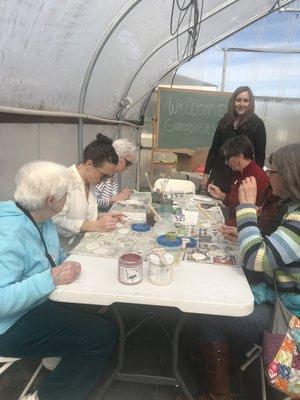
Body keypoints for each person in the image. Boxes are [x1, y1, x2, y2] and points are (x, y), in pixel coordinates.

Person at [179, 143, 300, 400]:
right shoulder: (291, 210)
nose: (269, 175)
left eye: (274, 171)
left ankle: (218, 394)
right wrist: (245, 232)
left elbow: (255, 259)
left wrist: (246, 207)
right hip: (279, 300)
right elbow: (273, 250)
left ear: (290, 176)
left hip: (290, 319)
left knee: (208, 313)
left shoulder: (298, 219)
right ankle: (229, 356)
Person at [0, 161, 116, 400]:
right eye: (66, 195)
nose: (68, 200)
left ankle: (57, 357)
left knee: (103, 310)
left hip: (35, 304)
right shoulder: (10, 235)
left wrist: (68, 263)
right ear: (52, 200)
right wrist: (50, 278)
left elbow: (54, 256)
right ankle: (46, 396)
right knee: (101, 336)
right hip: (8, 327)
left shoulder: (40, 218)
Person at [53, 133, 124, 238]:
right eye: (103, 176)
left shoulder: (90, 183)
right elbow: (55, 221)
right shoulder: (63, 181)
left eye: (107, 177)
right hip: (64, 248)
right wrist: (94, 225)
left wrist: (103, 217)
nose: (103, 181)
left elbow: (84, 216)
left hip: (83, 241)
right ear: (89, 164)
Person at [202, 86, 266, 193]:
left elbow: (260, 156)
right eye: (238, 100)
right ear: (233, 102)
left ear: (251, 103)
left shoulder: (258, 125)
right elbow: (214, 149)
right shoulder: (225, 121)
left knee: (234, 205)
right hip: (220, 174)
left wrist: (254, 180)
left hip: (241, 177)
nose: (241, 104)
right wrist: (205, 174)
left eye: (245, 100)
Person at [207, 135, 270, 225]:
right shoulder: (240, 173)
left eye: (228, 158)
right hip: (233, 224)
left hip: (241, 227)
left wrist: (223, 224)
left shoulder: (254, 177)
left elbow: (252, 214)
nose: (226, 162)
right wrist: (222, 195)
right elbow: (236, 201)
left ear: (240, 156)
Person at [95, 138, 137, 211]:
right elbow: (89, 202)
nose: (127, 167)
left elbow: (111, 198)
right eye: (127, 163)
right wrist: (114, 199)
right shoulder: (101, 175)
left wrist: (121, 195)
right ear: (117, 156)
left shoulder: (112, 177)